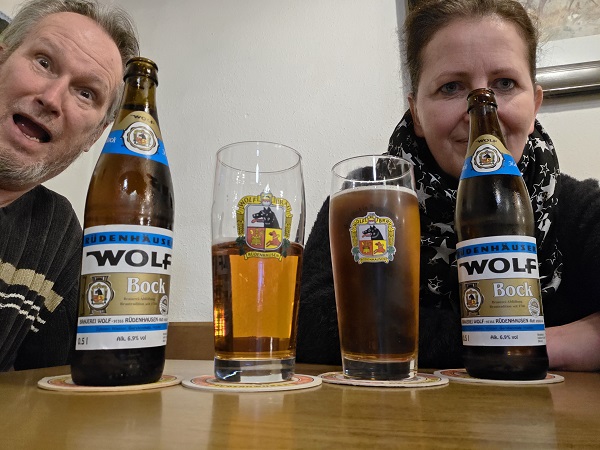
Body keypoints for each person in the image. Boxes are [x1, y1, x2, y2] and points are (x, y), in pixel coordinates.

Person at [297, 0, 600, 372]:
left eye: (505, 84)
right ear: (416, 113)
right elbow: (309, 321)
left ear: (535, 104)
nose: (480, 110)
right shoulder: (362, 202)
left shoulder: (579, 209)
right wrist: (526, 344)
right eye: (451, 87)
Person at [0, 0, 139, 371]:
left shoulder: (57, 232)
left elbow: (47, 386)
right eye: (44, 62)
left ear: (94, 135)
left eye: (85, 93)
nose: (51, 99)